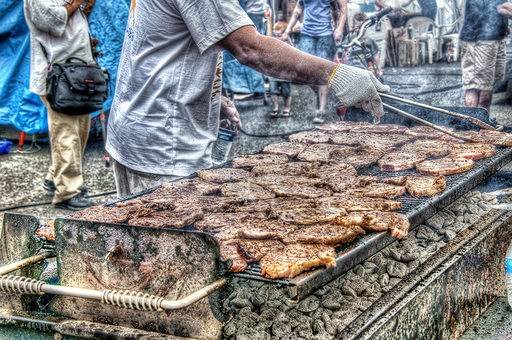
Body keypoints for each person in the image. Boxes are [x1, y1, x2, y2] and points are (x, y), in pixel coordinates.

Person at [106, 0, 389, 198]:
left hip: (138, 130)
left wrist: (210, 97)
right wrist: (337, 73)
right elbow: (250, 48)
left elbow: (160, 47)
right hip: (163, 149)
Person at [24, 0, 96, 210]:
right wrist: (77, 3)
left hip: (77, 72)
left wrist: (86, 9)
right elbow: (51, 21)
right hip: (56, 75)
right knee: (66, 133)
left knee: (81, 130)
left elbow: (71, 23)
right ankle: (67, 192)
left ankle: (55, 175)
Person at [282, 0, 348, 124]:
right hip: (307, 34)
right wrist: (288, 30)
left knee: (323, 74)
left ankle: (321, 110)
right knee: (303, 71)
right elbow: (298, 10)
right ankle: (321, 94)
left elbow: (343, 7)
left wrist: (339, 29)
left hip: (326, 35)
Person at [459, 0, 512, 113]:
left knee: (488, 83)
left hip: (494, 37)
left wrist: (503, 25)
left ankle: (482, 123)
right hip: (479, 40)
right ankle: (472, 124)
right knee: (475, 86)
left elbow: (494, 8)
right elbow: (504, 7)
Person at [342, 12, 383, 80]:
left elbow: (376, 55)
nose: (360, 29)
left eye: (362, 27)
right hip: (352, 69)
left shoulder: (369, 40)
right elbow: (344, 49)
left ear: (366, 27)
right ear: (353, 26)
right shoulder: (349, 38)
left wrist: (379, 70)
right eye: (358, 27)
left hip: (366, 69)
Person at [269, 21, 293, 118]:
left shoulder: (288, 43)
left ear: (285, 34)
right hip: (273, 73)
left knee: (286, 92)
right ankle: (276, 107)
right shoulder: (272, 42)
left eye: (279, 35)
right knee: (272, 90)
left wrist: (289, 41)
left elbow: (294, 53)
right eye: (275, 35)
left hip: (285, 74)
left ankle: (287, 108)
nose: (277, 37)